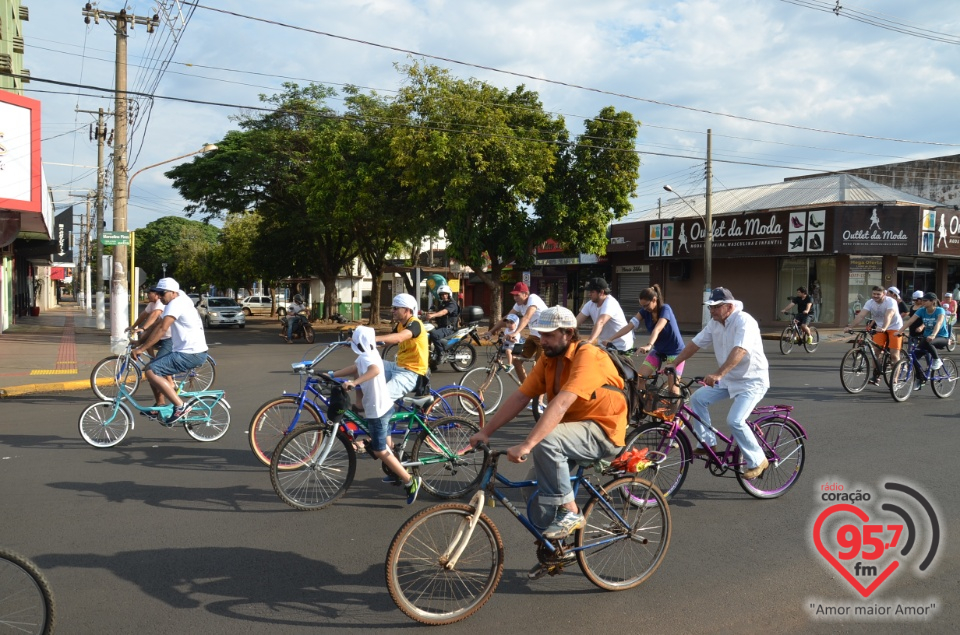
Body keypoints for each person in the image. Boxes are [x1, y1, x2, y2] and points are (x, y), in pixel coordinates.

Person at [469, 306, 627, 565]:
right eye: (540, 334)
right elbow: (521, 396)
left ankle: (571, 512)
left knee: (547, 439)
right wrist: (486, 431)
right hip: (573, 430)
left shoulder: (587, 354)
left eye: (549, 335)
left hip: (603, 429)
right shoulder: (548, 358)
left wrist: (529, 443)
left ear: (569, 333)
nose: (542, 341)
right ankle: (557, 547)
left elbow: (562, 402)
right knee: (533, 493)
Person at [663, 287, 770, 480]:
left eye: (715, 307)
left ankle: (758, 460)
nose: (711, 311)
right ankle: (707, 444)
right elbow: (694, 344)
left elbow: (740, 350)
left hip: (752, 381)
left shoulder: (744, 321)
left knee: (735, 421)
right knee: (697, 399)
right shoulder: (715, 324)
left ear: (729, 307)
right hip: (729, 380)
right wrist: (674, 363)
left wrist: (719, 373)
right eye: (710, 307)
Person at [331, 326, 420, 504]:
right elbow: (355, 367)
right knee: (386, 443)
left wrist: (354, 383)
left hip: (378, 410)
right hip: (381, 406)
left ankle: (410, 481)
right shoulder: (368, 354)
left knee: (379, 450)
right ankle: (396, 470)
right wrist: (332, 374)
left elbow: (375, 371)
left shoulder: (369, 357)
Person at [132, 278, 208, 424]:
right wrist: (140, 342)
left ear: (173, 293)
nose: (159, 296)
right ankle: (160, 404)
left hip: (190, 353)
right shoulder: (180, 297)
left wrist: (141, 349)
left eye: (162, 293)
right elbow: (158, 323)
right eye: (158, 293)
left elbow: (162, 328)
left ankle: (180, 406)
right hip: (188, 351)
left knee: (151, 371)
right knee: (151, 368)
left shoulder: (176, 303)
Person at [604, 284, 684, 391]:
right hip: (659, 350)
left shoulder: (665, 309)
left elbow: (658, 329)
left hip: (675, 352)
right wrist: (611, 339)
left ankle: (677, 406)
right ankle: (644, 405)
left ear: (654, 300)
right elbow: (629, 326)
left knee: (672, 390)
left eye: (646, 305)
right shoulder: (645, 312)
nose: (644, 308)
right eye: (642, 306)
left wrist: (649, 345)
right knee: (640, 379)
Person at [484, 282, 547, 383]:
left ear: (526, 294)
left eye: (517, 295)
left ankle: (539, 398)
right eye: (514, 295)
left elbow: (527, 317)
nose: (515, 298)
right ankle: (526, 388)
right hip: (534, 336)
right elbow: (506, 318)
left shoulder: (533, 298)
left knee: (539, 367)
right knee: (516, 361)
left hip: (545, 338)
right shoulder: (519, 304)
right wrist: (491, 331)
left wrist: (515, 333)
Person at [845, 286, 904, 385]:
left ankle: (895, 379)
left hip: (895, 327)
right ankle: (876, 376)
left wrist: (885, 327)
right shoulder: (870, 302)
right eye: (874, 294)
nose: (875, 296)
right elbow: (861, 315)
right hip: (880, 328)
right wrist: (850, 326)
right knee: (876, 351)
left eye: (878, 294)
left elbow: (888, 315)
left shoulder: (890, 301)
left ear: (884, 294)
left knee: (894, 355)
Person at [376, 293, 429, 401]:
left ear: (406, 310)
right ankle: (359, 406)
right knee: (366, 364)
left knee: (381, 400)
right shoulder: (400, 324)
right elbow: (387, 341)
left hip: (412, 372)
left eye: (395, 308)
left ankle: (382, 417)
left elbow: (399, 337)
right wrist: (360, 343)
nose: (392, 311)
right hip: (398, 366)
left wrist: (371, 338)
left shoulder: (415, 324)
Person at [127, 287, 173, 408]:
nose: (147, 295)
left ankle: (170, 383)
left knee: (155, 367)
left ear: (157, 295)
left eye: (150, 293)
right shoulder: (152, 304)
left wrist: (143, 328)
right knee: (148, 343)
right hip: (160, 336)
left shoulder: (160, 304)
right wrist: (133, 326)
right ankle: (160, 402)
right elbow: (144, 315)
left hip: (169, 338)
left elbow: (154, 316)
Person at [899, 292, 949, 384]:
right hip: (927, 338)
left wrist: (933, 334)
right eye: (922, 300)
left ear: (932, 301)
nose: (923, 302)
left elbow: (939, 323)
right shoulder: (922, 310)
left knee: (928, 341)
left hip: (941, 337)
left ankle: (937, 360)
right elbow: (910, 321)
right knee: (913, 358)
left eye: (925, 301)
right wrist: (900, 331)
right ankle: (920, 378)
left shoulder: (939, 310)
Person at [575, 277, 633, 351]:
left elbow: (601, 322)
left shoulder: (610, 303)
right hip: (604, 344)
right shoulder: (590, 304)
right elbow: (576, 322)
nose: (589, 294)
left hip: (620, 345)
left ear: (601, 292)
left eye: (592, 292)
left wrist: (590, 341)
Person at [424, 285, 460, 363]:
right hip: (442, 327)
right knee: (428, 333)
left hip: (449, 329)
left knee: (435, 335)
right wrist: (425, 314)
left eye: (445, 294)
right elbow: (438, 313)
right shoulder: (443, 304)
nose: (444, 296)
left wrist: (433, 315)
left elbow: (444, 312)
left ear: (449, 294)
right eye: (442, 294)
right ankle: (431, 361)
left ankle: (441, 353)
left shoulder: (452, 304)